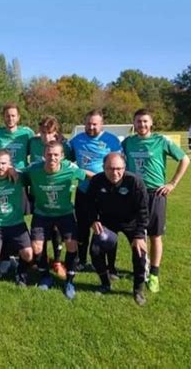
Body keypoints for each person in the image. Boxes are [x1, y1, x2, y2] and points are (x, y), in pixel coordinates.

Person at [122, 109, 190, 293]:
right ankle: (142, 268)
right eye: (138, 121)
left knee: (155, 236)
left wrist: (172, 183)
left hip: (155, 194)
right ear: (133, 124)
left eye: (145, 121)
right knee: (137, 234)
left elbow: (185, 159)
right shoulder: (128, 142)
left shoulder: (161, 141)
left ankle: (154, 274)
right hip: (134, 194)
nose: (141, 125)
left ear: (151, 123)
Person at [25, 141, 92, 300]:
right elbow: (17, 173)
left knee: (71, 245)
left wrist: (110, 177)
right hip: (42, 213)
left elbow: (88, 175)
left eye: (56, 155)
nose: (52, 158)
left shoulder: (70, 168)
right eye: (49, 154)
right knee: (37, 247)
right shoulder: (34, 169)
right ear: (44, 155)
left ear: (62, 156)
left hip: (65, 213)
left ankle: (69, 281)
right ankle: (45, 277)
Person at [87, 153, 150, 305]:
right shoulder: (96, 181)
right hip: (107, 222)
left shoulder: (135, 182)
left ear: (124, 168)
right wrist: (93, 220)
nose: (115, 173)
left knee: (140, 254)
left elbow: (143, 210)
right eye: (110, 169)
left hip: (132, 223)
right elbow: (89, 204)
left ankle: (138, 290)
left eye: (118, 168)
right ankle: (105, 283)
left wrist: (140, 235)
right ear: (103, 168)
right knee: (95, 251)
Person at [69, 109, 121, 275]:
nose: (91, 127)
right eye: (88, 123)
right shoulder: (76, 140)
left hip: (105, 192)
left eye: (95, 124)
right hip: (84, 191)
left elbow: (120, 164)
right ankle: (82, 261)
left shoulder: (111, 141)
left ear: (102, 124)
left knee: (108, 229)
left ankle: (110, 266)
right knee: (82, 227)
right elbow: (63, 159)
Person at [0, 149, 33, 287]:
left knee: (28, 254)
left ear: (10, 164)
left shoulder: (18, 176)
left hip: (16, 222)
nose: (0, 167)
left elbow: (36, 177)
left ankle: (21, 273)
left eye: (4, 163)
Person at [29, 115, 72, 279]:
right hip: (36, 189)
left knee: (56, 229)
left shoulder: (63, 146)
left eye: (50, 133)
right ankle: (42, 258)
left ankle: (58, 261)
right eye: (43, 132)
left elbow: (69, 165)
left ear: (56, 134)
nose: (46, 137)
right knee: (40, 224)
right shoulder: (32, 142)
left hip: (56, 191)